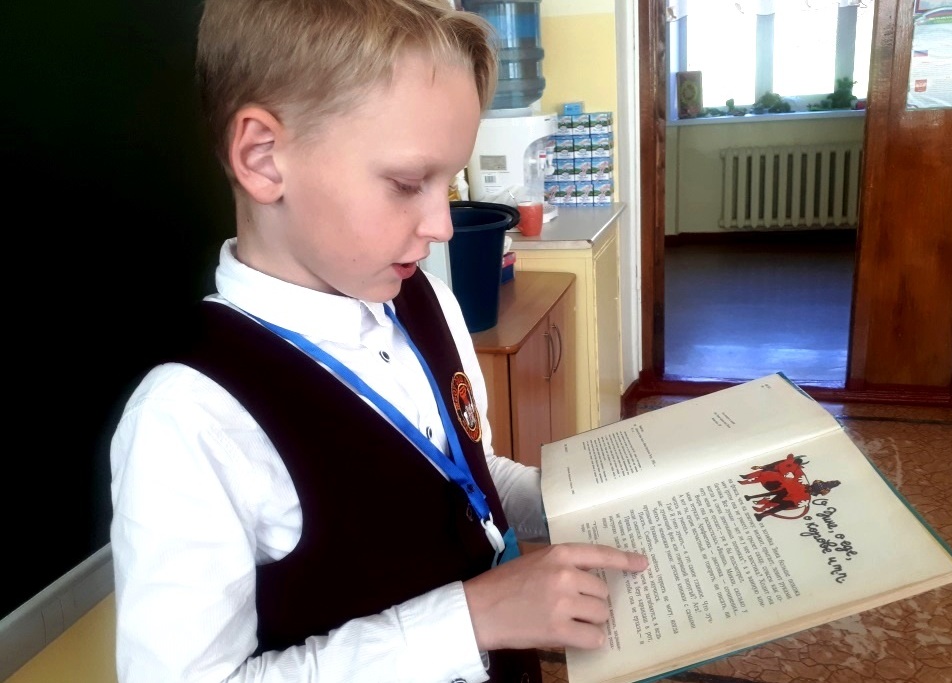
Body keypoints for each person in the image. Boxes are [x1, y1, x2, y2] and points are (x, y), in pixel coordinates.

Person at [107, 0, 649, 681]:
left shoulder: (426, 302)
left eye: (449, 181)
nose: (442, 225)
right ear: (263, 158)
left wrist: (562, 501)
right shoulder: (188, 418)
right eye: (407, 183)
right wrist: (471, 620)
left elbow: (464, 475)